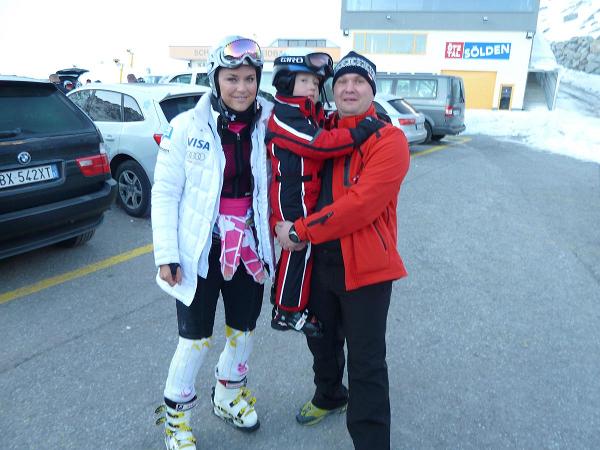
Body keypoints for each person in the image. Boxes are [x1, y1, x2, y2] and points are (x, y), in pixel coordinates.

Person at [275, 51, 410, 450]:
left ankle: (371, 442)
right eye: (343, 82)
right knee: (320, 339)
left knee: (367, 362)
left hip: (366, 270)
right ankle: (330, 395)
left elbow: (360, 206)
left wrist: (300, 230)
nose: (349, 88)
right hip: (318, 261)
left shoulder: (389, 140)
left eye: (359, 82)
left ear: (372, 90)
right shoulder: (320, 129)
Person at [152, 36, 275, 450]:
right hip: (200, 251)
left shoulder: (268, 124)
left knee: (244, 330)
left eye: (249, 78)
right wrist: (167, 254)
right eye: (232, 78)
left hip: (249, 249)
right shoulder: (186, 126)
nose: (241, 87)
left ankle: (226, 396)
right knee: (195, 340)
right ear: (215, 79)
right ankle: (176, 421)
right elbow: (164, 193)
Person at [266, 49, 385, 337]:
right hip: (292, 192)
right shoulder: (285, 115)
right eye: (304, 81)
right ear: (285, 83)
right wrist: (362, 131)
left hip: (303, 190)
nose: (312, 88)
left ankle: (286, 300)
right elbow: (320, 144)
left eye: (316, 83)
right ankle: (286, 310)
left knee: (300, 250)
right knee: (297, 249)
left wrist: (370, 120)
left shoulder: (304, 113)